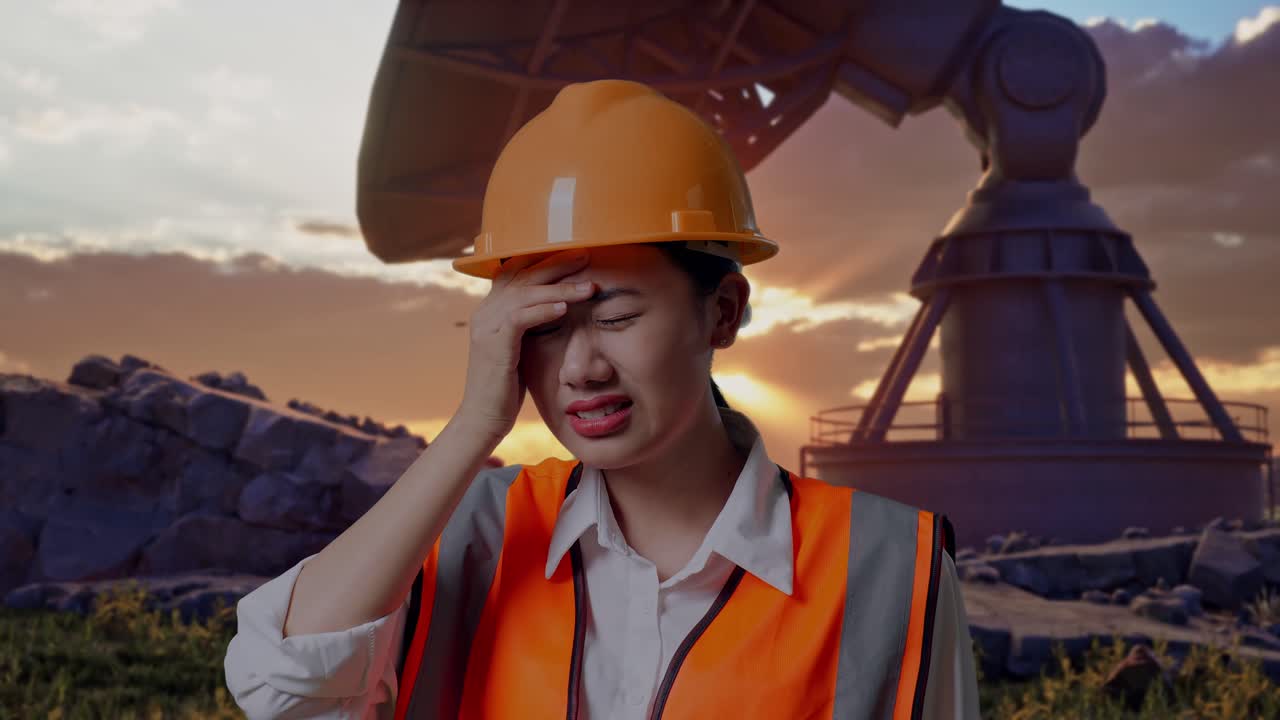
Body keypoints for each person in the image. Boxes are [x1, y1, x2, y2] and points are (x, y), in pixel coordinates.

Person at [224, 78, 981, 719]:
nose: (581, 367)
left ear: (722, 312)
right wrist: (472, 426)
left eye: (617, 317)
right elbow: (278, 687)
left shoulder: (890, 567)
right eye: (545, 328)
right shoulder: (467, 534)